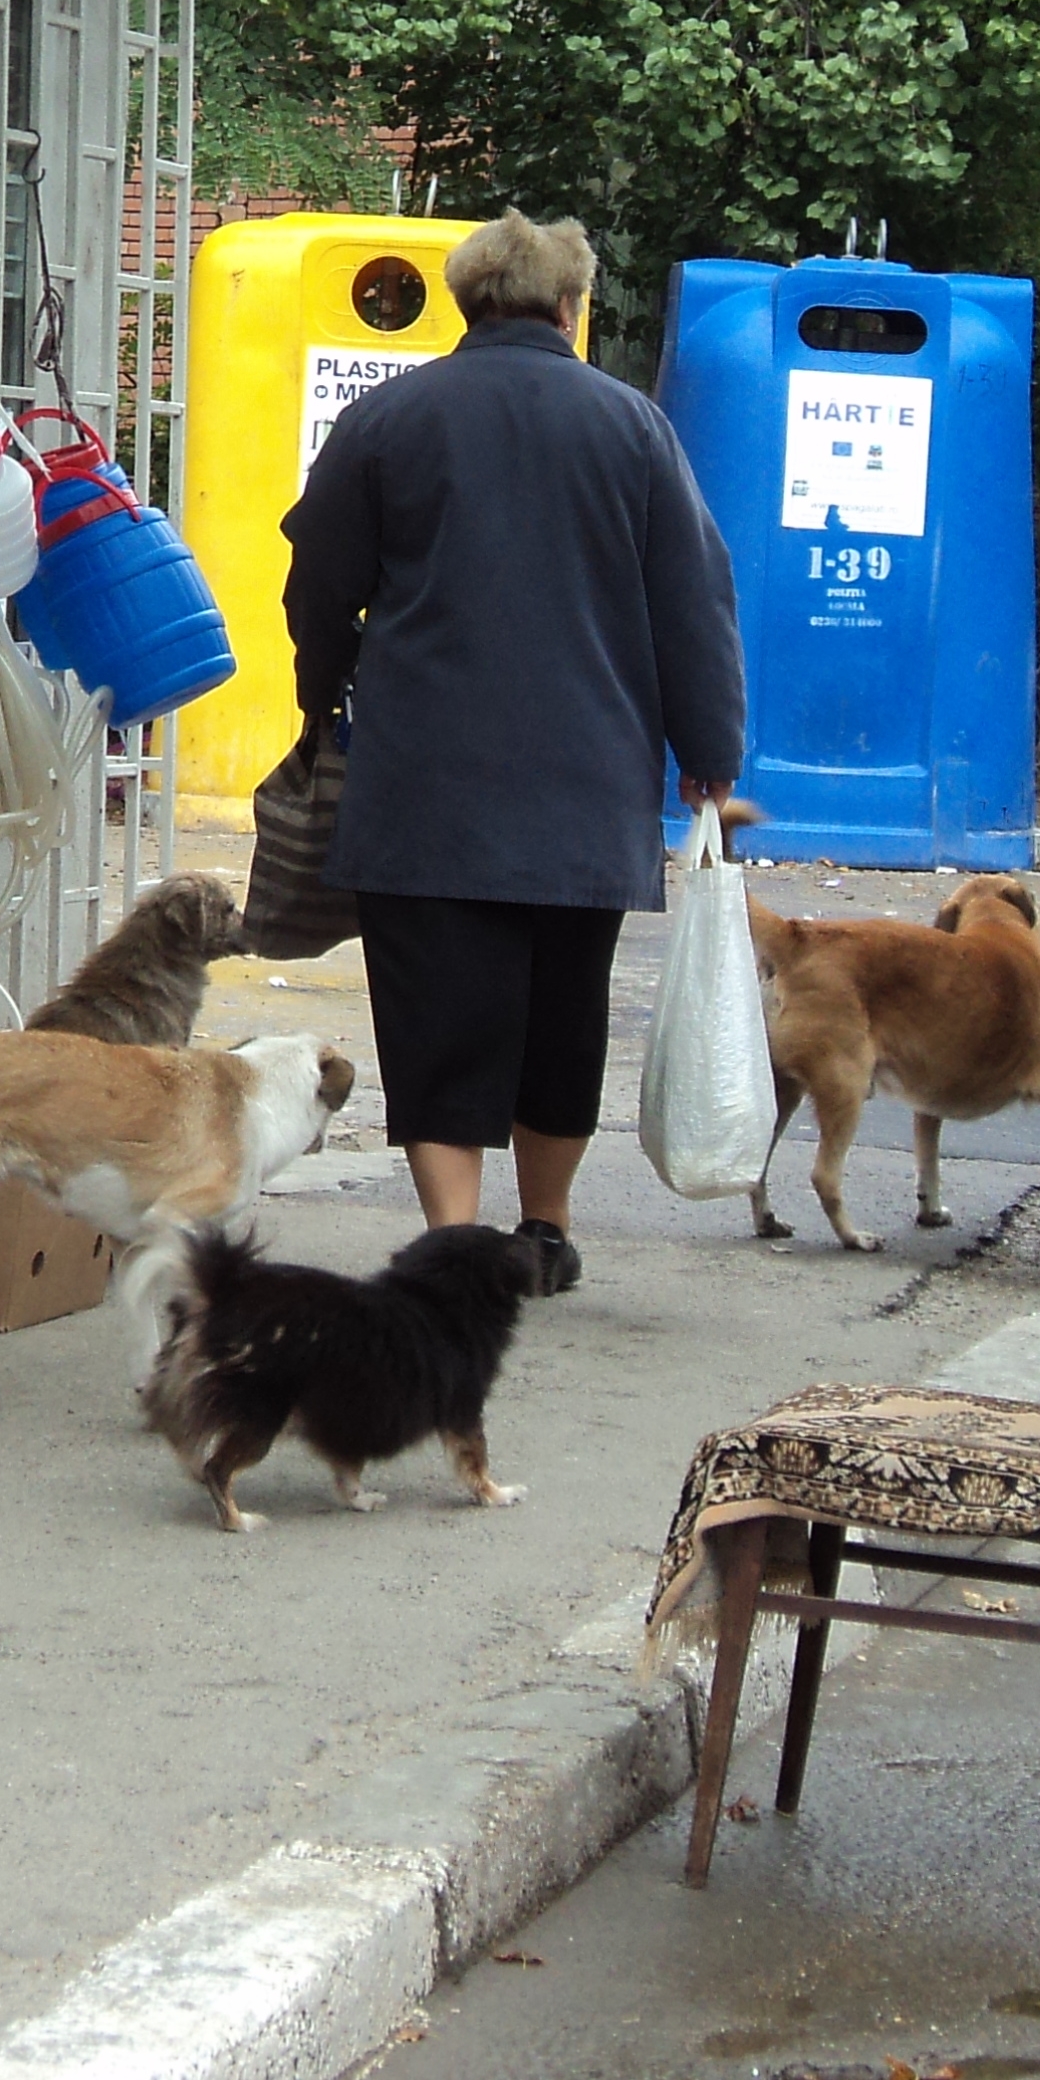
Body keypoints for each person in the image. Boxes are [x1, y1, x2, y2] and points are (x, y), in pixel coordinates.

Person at [281, 211, 745, 1292]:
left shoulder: (388, 420)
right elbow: (694, 596)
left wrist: (324, 695)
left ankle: (453, 1239)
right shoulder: (633, 427)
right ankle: (543, 1230)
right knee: (558, 1013)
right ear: (570, 308)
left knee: (434, 1016)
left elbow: (317, 579)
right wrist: (709, 749)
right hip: (585, 785)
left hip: (425, 779)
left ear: (463, 303)